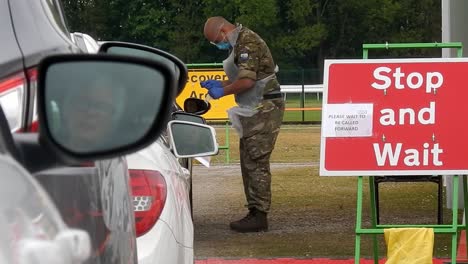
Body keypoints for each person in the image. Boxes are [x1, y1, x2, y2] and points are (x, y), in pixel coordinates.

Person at [200, 16, 285, 233]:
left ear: (222, 32)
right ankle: (254, 211)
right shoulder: (240, 43)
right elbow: (245, 76)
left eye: (215, 41)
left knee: (256, 160)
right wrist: (221, 83)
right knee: (248, 159)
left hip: (263, 108)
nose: (218, 46)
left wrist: (222, 92)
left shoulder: (247, 43)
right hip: (257, 107)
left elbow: (248, 81)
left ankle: (259, 215)